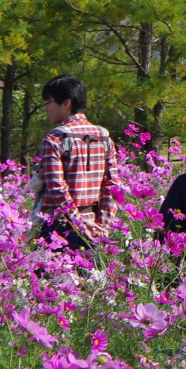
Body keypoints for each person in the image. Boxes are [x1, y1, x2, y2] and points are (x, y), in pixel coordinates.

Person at [31, 75, 118, 250]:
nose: (46, 108)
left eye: (48, 102)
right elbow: (112, 185)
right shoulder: (103, 137)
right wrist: (102, 225)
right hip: (92, 225)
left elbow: (56, 187)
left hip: (58, 227)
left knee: (52, 275)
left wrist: (78, 222)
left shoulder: (55, 138)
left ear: (66, 103)